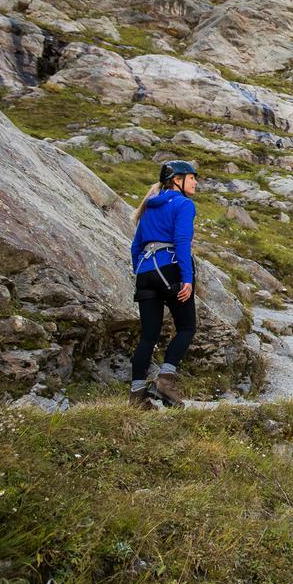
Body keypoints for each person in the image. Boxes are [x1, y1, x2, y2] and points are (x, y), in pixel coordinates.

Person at [128, 160, 199, 408]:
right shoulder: (184, 204)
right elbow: (182, 242)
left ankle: (137, 395)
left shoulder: (148, 207)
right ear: (177, 180)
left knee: (148, 336)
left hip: (145, 272)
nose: (195, 182)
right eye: (191, 177)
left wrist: (141, 270)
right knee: (187, 326)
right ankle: (165, 382)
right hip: (170, 269)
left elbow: (135, 246)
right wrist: (187, 279)